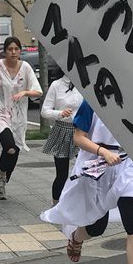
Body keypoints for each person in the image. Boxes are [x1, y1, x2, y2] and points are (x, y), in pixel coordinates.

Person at [41, 100, 133, 264]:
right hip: (97, 163)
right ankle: (76, 238)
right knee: (97, 225)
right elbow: (78, 137)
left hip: (127, 165)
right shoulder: (92, 100)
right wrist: (103, 152)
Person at [0, 37, 41, 200]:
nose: (13, 52)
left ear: (19, 51)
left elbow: (37, 91)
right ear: (5, 51)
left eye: (16, 49)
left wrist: (25, 92)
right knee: (9, 146)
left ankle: (2, 176)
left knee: (14, 151)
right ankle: (2, 177)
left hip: (18, 116)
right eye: (10, 49)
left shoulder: (25, 68)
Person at [40, 74, 81, 204]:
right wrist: (60, 113)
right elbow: (45, 111)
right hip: (62, 130)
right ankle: (56, 205)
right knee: (62, 174)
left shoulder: (87, 84)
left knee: (85, 172)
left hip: (82, 132)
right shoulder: (57, 85)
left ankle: (81, 205)